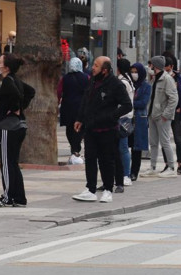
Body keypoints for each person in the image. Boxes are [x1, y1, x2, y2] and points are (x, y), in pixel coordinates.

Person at [72, 57, 133, 204]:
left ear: (105, 70)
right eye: (93, 65)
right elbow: (86, 101)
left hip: (108, 129)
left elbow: (127, 105)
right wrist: (79, 118)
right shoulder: (92, 81)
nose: (93, 68)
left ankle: (107, 190)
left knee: (107, 160)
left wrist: (111, 116)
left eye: (96, 66)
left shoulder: (115, 84)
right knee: (90, 159)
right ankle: (90, 189)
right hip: (91, 127)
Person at [0, 53, 36, 208]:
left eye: (0, 62)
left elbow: (19, 94)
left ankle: (8, 196)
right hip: (18, 126)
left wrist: (15, 108)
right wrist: (20, 107)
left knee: (7, 163)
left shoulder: (8, 81)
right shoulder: (15, 79)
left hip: (8, 128)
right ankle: (19, 198)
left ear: (6, 67)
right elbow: (30, 92)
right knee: (13, 163)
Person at [140, 56, 178, 179]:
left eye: (151, 65)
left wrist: (166, 115)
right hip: (152, 114)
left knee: (165, 142)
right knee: (154, 143)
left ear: (155, 66)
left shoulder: (167, 79)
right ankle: (153, 167)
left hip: (162, 116)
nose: (149, 67)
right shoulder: (154, 79)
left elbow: (173, 98)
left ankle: (171, 167)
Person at [58, 58, 89, 164]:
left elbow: (59, 91)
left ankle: (74, 149)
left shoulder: (65, 78)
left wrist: (58, 102)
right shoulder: (86, 78)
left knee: (69, 128)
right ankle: (76, 149)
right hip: (81, 107)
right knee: (80, 129)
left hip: (67, 107)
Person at [114, 58, 135, 191]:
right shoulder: (128, 81)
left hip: (122, 117)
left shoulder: (122, 82)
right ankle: (123, 173)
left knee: (123, 147)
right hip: (127, 116)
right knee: (123, 147)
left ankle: (125, 174)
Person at [129, 63, 150, 181]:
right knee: (124, 146)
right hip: (127, 119)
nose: (134, 74)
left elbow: (143, 103)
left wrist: (130, 104)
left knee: (137, 149)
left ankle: (134, 172)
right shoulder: (129, 84)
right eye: (132, 71)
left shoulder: (146, 86)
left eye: (136, 71)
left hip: (139, 119)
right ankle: (125, 171)